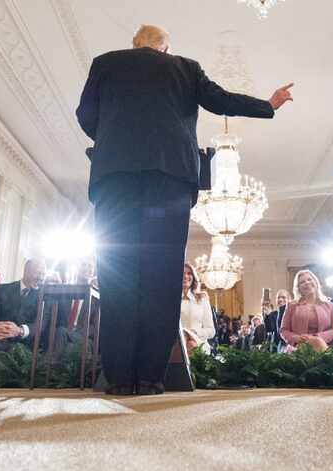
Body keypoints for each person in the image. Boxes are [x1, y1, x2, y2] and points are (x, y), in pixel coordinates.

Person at [76, 24, 293, 396]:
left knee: (118, 274)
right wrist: (267, 105)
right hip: (169, 180)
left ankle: (117, 377)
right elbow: (220, 100)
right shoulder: (184, 67)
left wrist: (117, 138)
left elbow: (85, 115)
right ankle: (149, 377)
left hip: (117, 179)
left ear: (134, 44)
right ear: (165, 48)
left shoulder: (105, 64)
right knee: (162, 277)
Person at [0, 258, 49, 350]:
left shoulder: (46, 295)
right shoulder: (1, 289)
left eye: (43, 274)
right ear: (26, 270)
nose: (41, 278)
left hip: (27, 347)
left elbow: (41, 323)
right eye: (38, 273)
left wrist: (20, 331)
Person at [280, 270, 333, 352]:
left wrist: (317, 337)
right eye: (302, 282)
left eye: (309, 279)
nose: (307, 283)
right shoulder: (291, 306)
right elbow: (284, 330)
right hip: (298, 347)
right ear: (298, 288)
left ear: (315, 282)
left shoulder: (330, 305)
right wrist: (298, 338)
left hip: (324, 346)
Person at [180, 263, 215, 355]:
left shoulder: (202, 298)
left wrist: (195, 332)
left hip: (199, 347)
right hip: (178, 349)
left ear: (193, 277)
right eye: (182, 273)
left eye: (189, 273)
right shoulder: (170, 300)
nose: (185, 276)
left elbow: (211, 331)